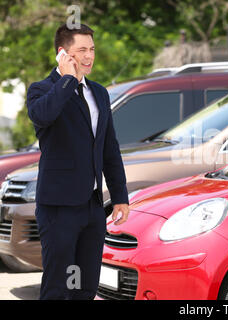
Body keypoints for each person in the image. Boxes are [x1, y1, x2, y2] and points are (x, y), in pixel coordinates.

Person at [26, 23, 130, 300]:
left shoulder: (99, 92)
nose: (89, 56)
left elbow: (109, 147)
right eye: (81, 50)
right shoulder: (41, 90)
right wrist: (67, 79)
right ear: (63, 54)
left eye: (92, 49)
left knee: (85, 287)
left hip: (93, 207)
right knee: (58, 287)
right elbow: (43, 116)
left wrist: (120, 195)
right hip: (58, 207)